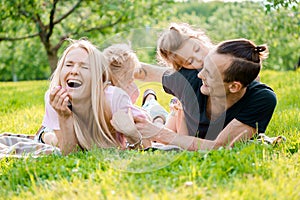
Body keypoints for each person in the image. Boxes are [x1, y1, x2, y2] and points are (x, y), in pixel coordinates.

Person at [112, 38, 277, 150]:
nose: (200, 74)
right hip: (174, 117)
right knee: (153, 114)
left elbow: (219, 147)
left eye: (210, 74)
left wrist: (159, 133)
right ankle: (150, 100)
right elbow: (143, 72)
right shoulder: (192, 80)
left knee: (158, 121)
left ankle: (152, 104)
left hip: (175, 124)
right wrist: (106, 63)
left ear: (234, 86)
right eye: (204, 66)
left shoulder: (261, 99)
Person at [38, 39, 148, 155]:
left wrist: (132, 135)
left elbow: (141, 148)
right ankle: (45, 134)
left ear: (97, 76)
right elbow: (71, 154)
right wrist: (64, 117)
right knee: (54, 141)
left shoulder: (115, 99)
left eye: (84, 67)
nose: (74, 71)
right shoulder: (55, 98)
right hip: (66, 136)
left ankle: (150, 97)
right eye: (69, 64)